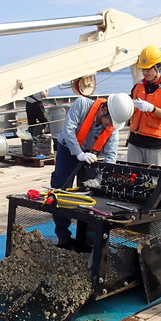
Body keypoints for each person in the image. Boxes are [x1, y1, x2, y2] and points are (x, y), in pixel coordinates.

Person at [50, 93, 133, 247]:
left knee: (90, 194)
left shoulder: (111, 126)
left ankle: (87, 239)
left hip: (90, 156)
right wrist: (78, 153)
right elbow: (68, 130)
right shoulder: (81, 104)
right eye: (110, 121)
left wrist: (106, 175)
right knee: (60, 189)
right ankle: (63, 236)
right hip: (68, 149)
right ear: (103, 110)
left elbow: (111, 152)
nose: (110, 126)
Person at [127, 45, 161, 166]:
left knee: (151, 181)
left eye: (148, 69)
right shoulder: (138, 86)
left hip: (154, 143)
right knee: (132, 178)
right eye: (143, 69)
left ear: (158, 67)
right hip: (135, 141)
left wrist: (152, 109)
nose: (145, 73)